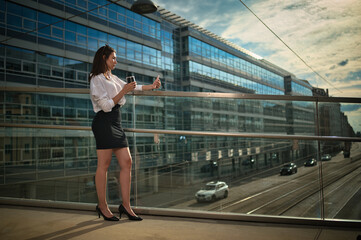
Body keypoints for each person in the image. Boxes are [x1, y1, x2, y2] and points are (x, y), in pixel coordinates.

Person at [89, 45, 161, 221]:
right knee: (103, 166)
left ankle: (126, 206)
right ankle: (103, 206)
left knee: (127, 162)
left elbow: (132, 87)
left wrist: (151, 86)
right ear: (104, 58)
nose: (116, 61)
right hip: (104, 122)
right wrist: (124, 91)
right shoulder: (96, 79)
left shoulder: (112, 77)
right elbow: (105, 106)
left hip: (116, 121)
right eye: (113, 58)